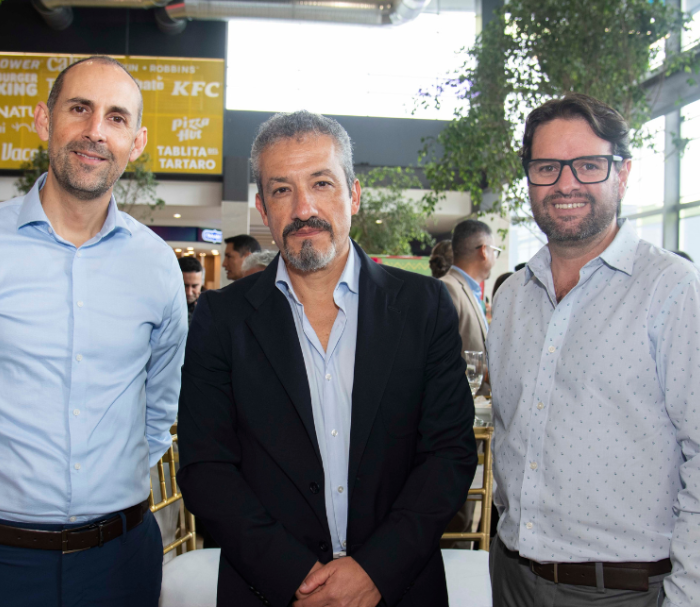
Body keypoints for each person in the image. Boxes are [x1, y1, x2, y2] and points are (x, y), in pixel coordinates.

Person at [0, 56, 185, 606]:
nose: (95, 131)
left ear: (137, 141)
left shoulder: (157, 265)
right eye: (79, 109)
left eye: (116, 118)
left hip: (119, 561)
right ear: (43, 120)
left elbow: (159, 410)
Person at [177, 110, 476, 607]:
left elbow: (448, 454)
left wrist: (374, 571)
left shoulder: (422, 307)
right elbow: (207, 469)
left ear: (353, 195)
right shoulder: (221, 319)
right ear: (261, 207)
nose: (303, 207)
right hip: (269, 591)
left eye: (321, 182)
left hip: (398, 589)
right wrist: (296, 576)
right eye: (281, 190)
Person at [487, 93, 700, 606]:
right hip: (511, 578)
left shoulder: (678, 291)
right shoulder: (511, 298)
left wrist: (697, 597)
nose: (566, 183)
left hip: (623, 592)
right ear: (529, 177)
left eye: (588, 165)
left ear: (622, 173)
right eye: (547, 167)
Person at [441, 219, 497, 393]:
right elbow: (442, 358)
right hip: (460, 406)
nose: (495, 257)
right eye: (495, 251)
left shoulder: (470, 291)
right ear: (484, 251)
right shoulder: (448, 288)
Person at [180, 255, 203, 325]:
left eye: (194, 286)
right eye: (185, 286)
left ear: (201, 284)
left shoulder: (208, 308)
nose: (189, 292)